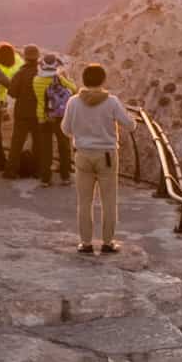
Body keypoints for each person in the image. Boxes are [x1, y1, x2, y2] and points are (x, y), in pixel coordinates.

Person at [60, 63, 136, 255]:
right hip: (107, 155)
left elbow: (65, 129)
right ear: (103, 81)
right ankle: (108, 242)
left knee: (84, 201)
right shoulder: (112, 102)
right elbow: (129, 125)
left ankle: (85, 243)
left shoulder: (73, 102)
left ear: (84, 80)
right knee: (108, 200)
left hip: (82, 154)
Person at [31, 54, 77, 186]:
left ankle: (45, 178)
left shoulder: (36, 80)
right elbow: (74, 89)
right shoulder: (58, 79)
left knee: (46, 148)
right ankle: (65, 176)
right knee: (63, 146)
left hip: (43, 117)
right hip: (59, 117)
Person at [4, 45, 41, 180]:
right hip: (38, 113)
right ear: (37, 57)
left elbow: (12, 92)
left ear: (25, 57)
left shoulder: (20, 73)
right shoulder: (42, 73)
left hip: (22, 113)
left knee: (17, 142)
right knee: (38, 142)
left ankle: (11, 171)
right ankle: (38, 171)